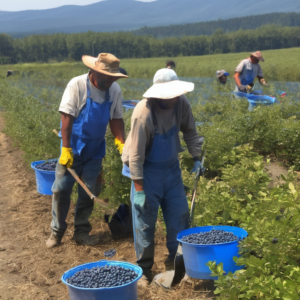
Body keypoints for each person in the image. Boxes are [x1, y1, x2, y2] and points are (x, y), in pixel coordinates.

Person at [121, 68, 203, 282]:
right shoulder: (143, 113)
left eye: (176, 93)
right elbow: (136, 157)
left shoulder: (181, 104)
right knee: (145, 223)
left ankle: (176, 263)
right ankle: (145, 270)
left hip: (171, 169)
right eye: (170, 95)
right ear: (158, 94)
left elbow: (191, 132)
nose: (175, 98)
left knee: (180, 217)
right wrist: (139, 191)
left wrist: (197, 158)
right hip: (146, 172)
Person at [46, 53, 128, 248]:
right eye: (108, 77)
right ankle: (56, 232)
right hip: (72, 147)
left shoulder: (114, 90)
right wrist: (66, 149)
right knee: (60, 190)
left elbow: (116, 119)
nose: (112, 80)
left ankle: (81, 232)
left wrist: (121, 144)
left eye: (114, 77)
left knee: (90, 192)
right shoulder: (77, 85)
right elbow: (66, 118)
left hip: (95, 150)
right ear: (94, 71)